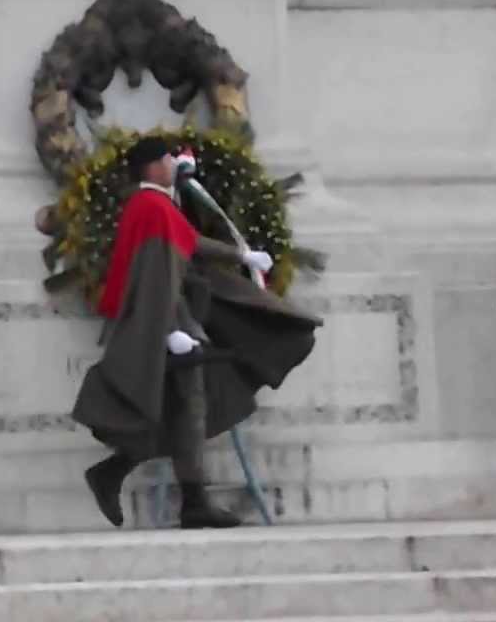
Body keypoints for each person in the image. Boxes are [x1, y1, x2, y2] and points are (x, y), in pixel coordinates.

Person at [72, 136, 321, 529]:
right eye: (169, 158)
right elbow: (156, 276)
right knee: (187, 407)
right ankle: (186, 498)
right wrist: (170, 330)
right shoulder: (151, 206)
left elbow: (189, 242)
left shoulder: (156, 206)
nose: (175, 163)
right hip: (171, 319)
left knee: (185, 408)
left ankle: (125, 475)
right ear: (152, 167)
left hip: (177, 316)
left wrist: (240, 255)